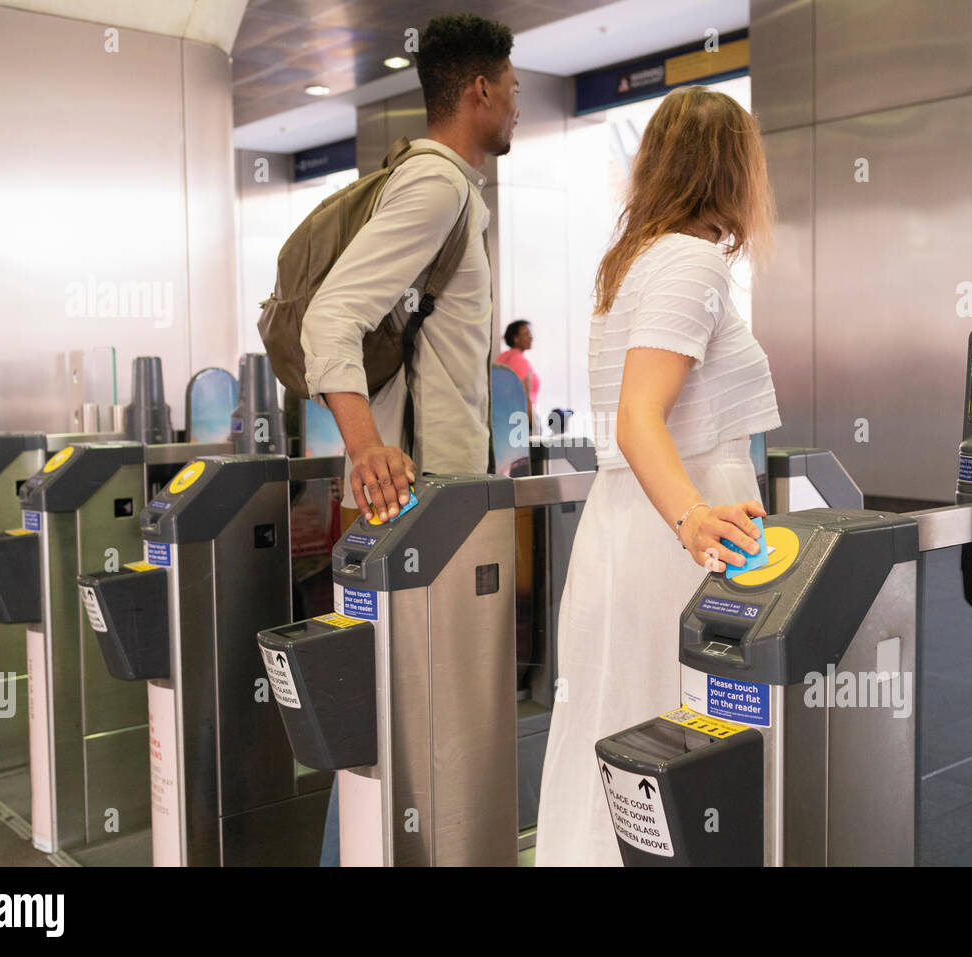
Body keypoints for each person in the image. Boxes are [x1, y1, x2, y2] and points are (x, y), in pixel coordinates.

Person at [534, 86, 781, 866]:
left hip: (630, 528)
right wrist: (693, 520)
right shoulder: (690, 260)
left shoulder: (637, 259)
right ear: (733, 168)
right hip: (674, 538)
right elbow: (640, 416)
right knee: (681, 746)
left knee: (620, 743)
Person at [297, 12, 518, 866]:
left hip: (434, 497)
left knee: (398, 722)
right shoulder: (435, 188)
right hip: (418, 500)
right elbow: (329, 319)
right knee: (399, 719)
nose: (517, 106)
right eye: (512, 90)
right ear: (478, 92)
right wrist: (366, 448)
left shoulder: (442, 188)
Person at [496, 319, 541, 407]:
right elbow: (523, 399)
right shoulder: (520, 361)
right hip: (518, 416)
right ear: (515, 338)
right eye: (526, 334)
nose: (531, 338)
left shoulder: (502, 358)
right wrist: (530, 420)